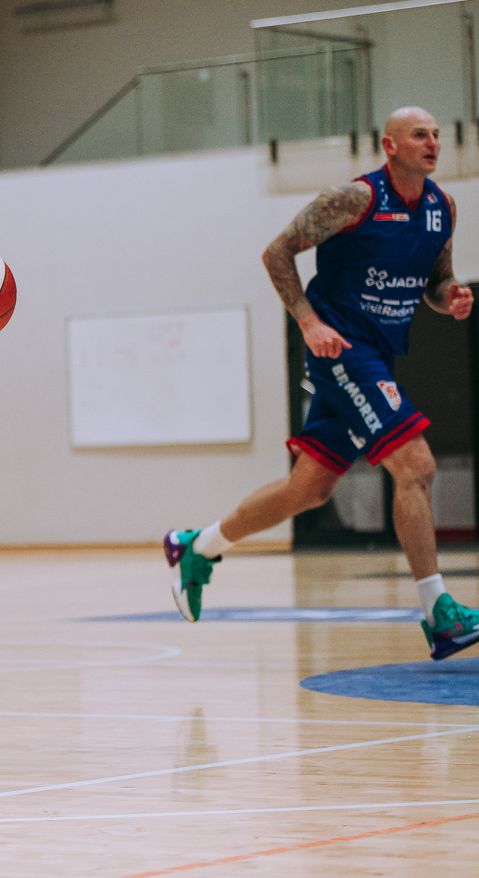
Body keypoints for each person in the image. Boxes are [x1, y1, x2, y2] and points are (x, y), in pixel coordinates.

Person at [165, 107, 478, 660]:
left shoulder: (442, 207)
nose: (433, 142)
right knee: (416, 465)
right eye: (419, 135)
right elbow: (276, 252)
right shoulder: (353, 199)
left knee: (308, 490)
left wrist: (449, 297)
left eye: (435, 134)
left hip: (379, 355)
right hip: (342, 351)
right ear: (390, 146)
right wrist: (309, 323)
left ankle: (198, 546)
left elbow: (436, 280)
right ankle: (439, 615)